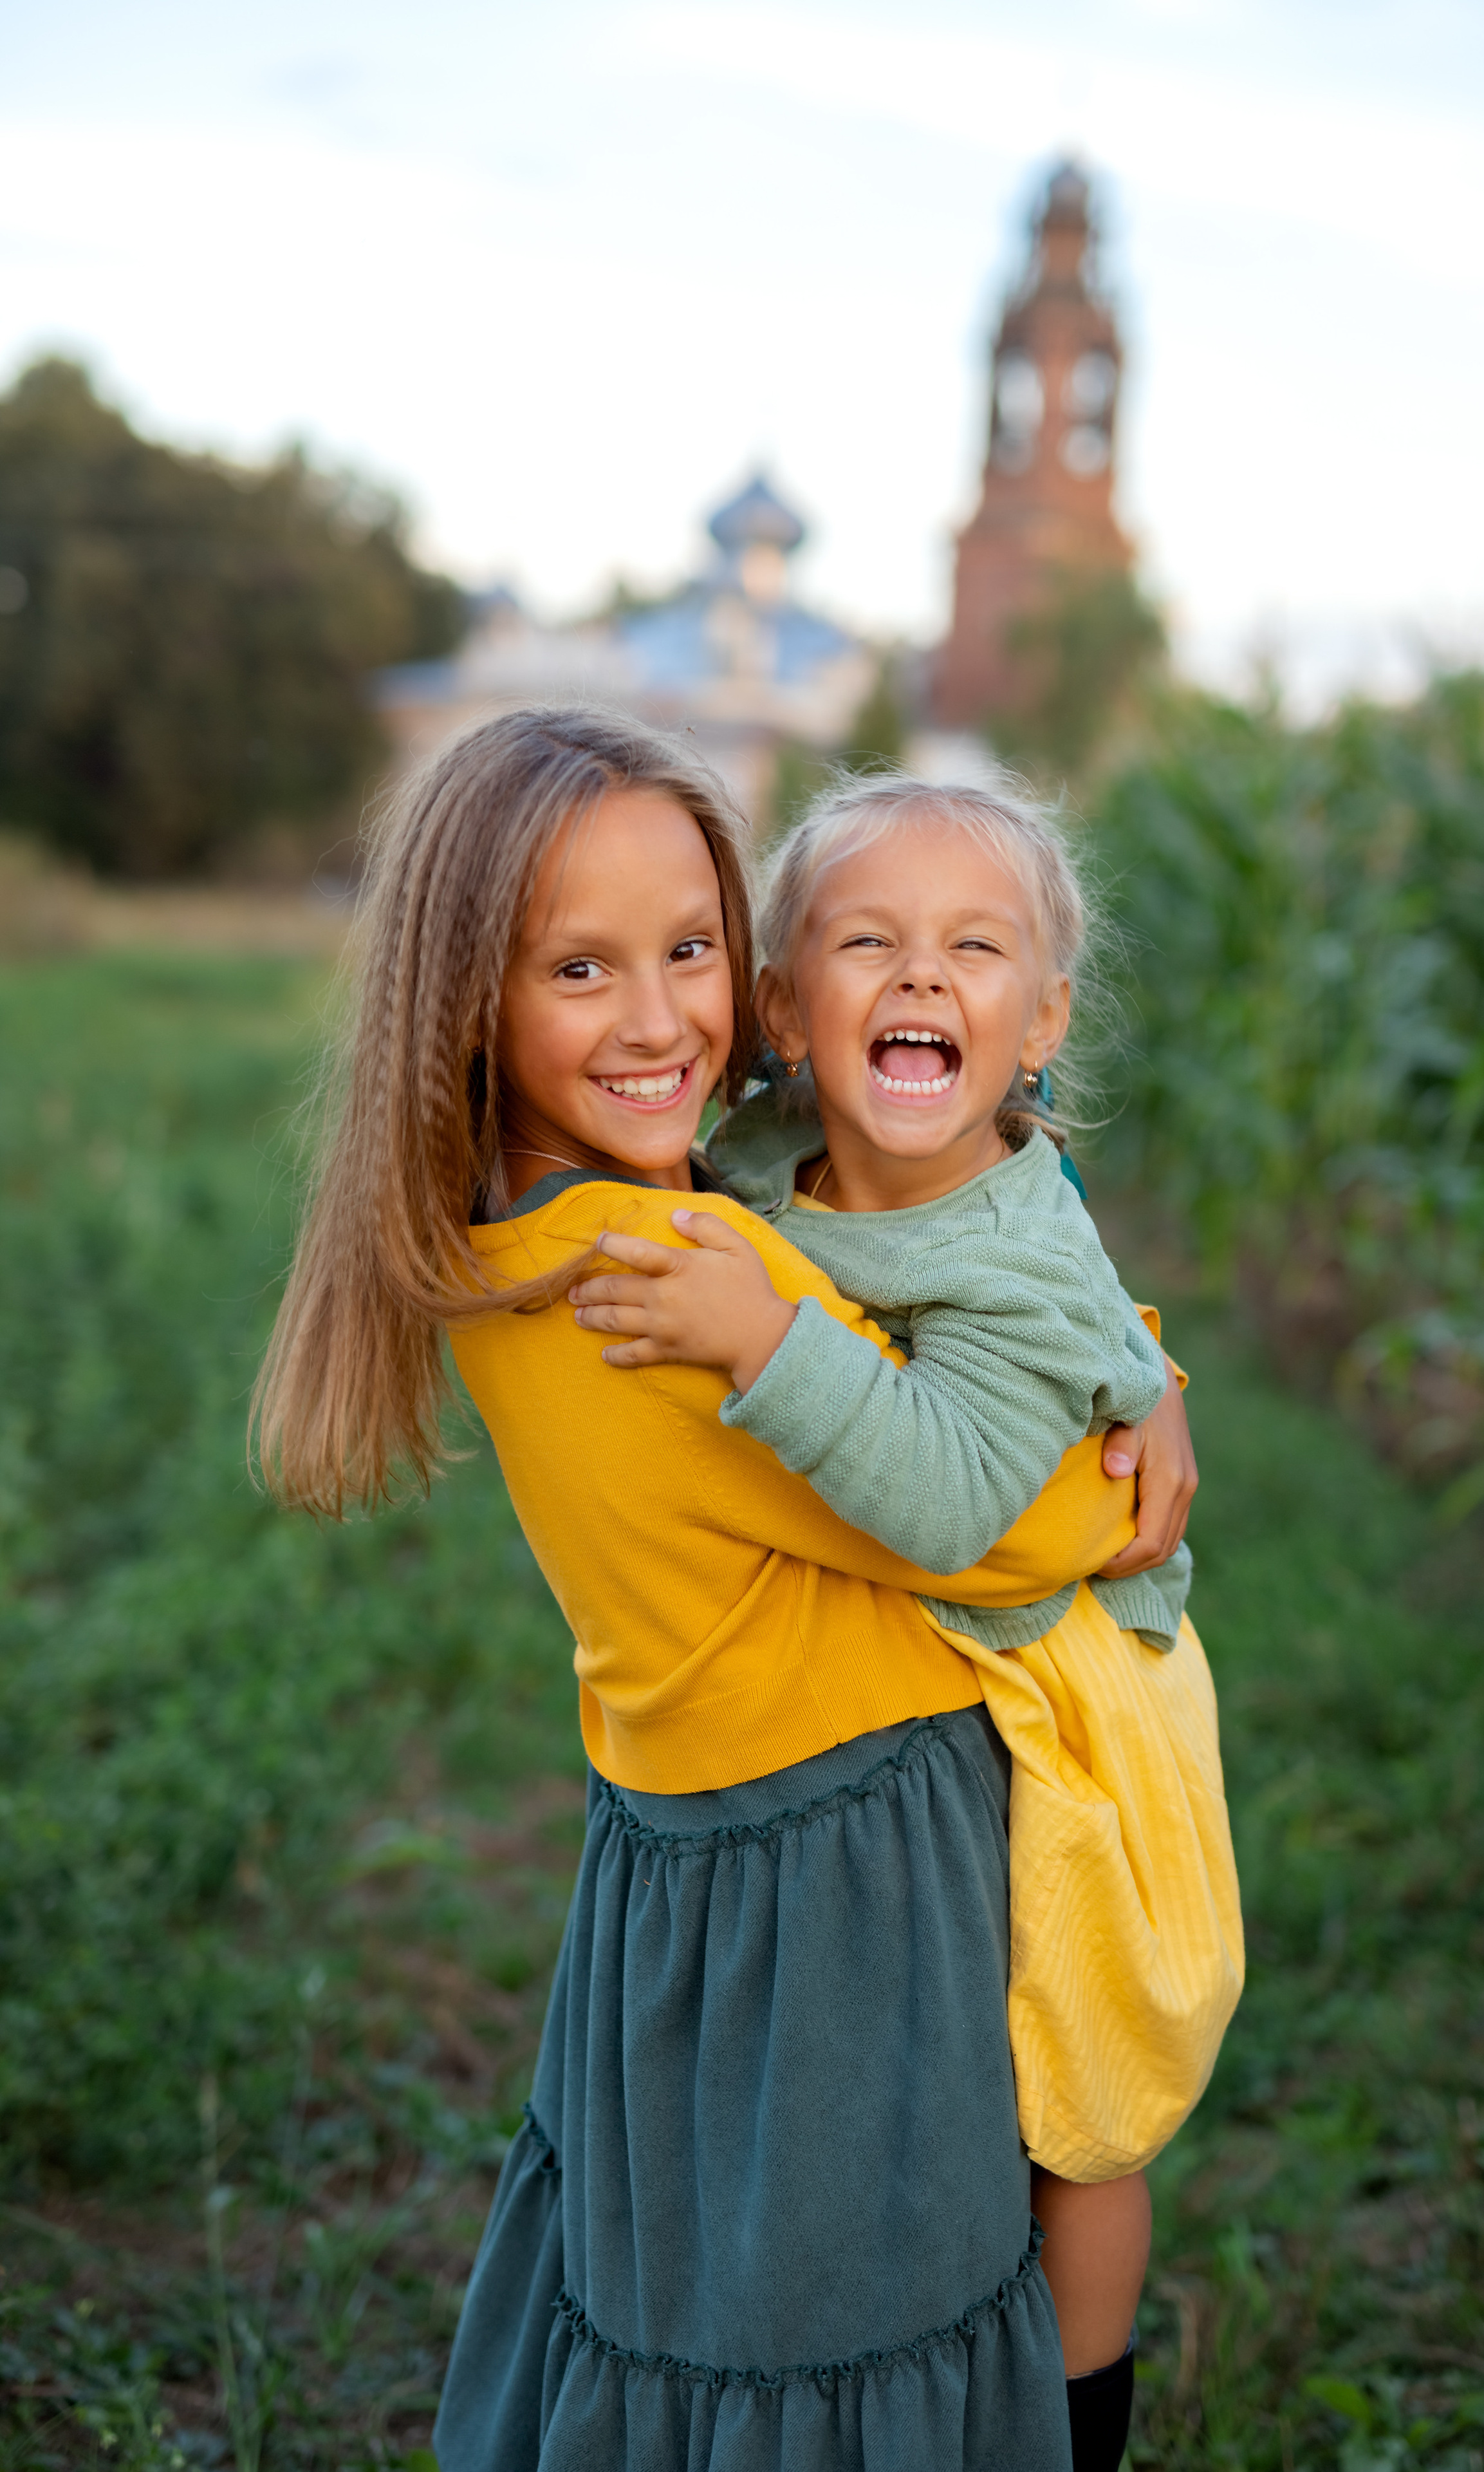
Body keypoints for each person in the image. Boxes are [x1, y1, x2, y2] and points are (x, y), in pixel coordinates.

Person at [253, 706, 1196, 2472]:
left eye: (690, 948)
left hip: (704, 1847)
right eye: (581, 968)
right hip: (834, 1867)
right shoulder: (676, 1273)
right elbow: (1022, 1519)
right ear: (469, 1004)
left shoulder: (558, 1218)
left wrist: (1144, 1371)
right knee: (845, 2309)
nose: (662, 1017)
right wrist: (1138, 1397)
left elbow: (982, 1285)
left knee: (721, 2280)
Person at [563, 774, 1245, 2458]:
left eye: (977, 950)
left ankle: (1084, 2414)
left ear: (1041, 1024)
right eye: (870, 943)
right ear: (786, 1008)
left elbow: (950, 1504)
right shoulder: (775, 1161)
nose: (923, 978)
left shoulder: (1010, 1265)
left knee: (1074, 2115)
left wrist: (761, 1341)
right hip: (942, 1696)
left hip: (1082, 1706)